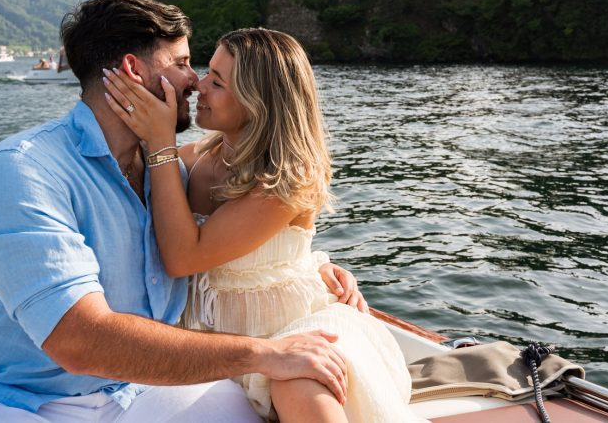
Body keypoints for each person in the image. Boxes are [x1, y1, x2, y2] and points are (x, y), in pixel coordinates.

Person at [0, 0, 364, 423]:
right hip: (21, 403)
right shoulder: (23, 172)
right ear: (133, 71)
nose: (194, 81)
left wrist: (315, 270)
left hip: (142, 391)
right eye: (182, 62)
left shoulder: (170, 173)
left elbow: (232, 244)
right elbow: (80, 342)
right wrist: (264, 354)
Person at [102, 28, 421, 423]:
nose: (199, 84)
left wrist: (160, 144)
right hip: (216, 344)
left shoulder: (289, 177)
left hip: (294, 328)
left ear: (258, 103)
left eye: (217, 82)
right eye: (208, 72)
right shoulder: (190, 160)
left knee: (300, 384)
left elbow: (184, 258)